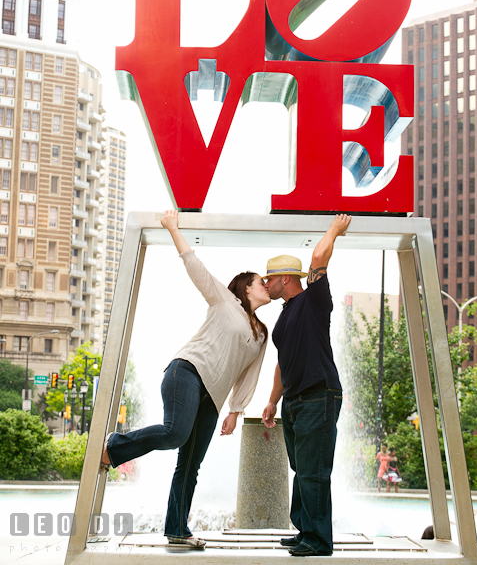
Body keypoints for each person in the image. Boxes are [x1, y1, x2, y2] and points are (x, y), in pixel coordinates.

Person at [100, 210, 270, 548]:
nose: (266, 285)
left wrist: (236, 411)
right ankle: (114, 446)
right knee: (176, 433)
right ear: (247, 289)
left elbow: (249, 376)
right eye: (261, 281)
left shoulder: (262, 334)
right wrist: (173, 229)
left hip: (213, 397)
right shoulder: (226, 301)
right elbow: (196, 268)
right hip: (187, 372)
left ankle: (177, 529)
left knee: (190, 463)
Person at [262, 214, 351, 557]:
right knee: (302, 469)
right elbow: (283, 363)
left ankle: (318, 540)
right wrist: (272, 401)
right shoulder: (284, 316)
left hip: (319, 394)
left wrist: (334, 229)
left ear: (285, 279)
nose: (266, 284)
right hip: (295, 400)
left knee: (314, 471)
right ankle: (305, 532)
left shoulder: (314, 301)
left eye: (269, 279)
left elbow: (317, 260)